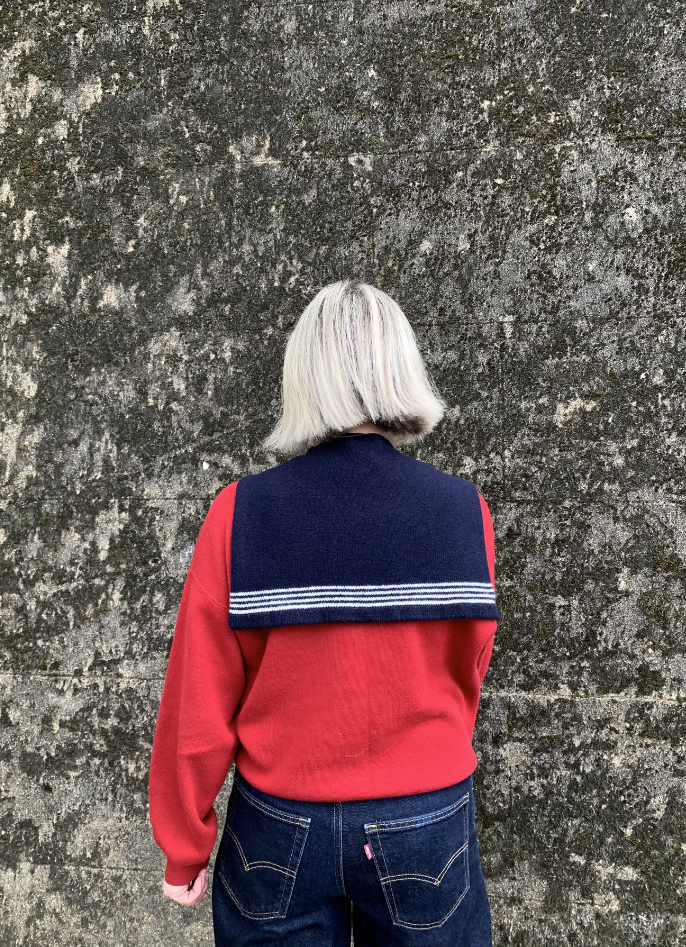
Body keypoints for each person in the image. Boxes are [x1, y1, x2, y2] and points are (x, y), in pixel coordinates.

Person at [148, 280, 499, 945]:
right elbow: (467, 668)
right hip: (424, 816)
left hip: (280, 821)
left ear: (303, 374)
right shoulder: (462, 510)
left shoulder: (241, 513)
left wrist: (184, 844)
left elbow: (199, 696)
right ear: (401, 367)